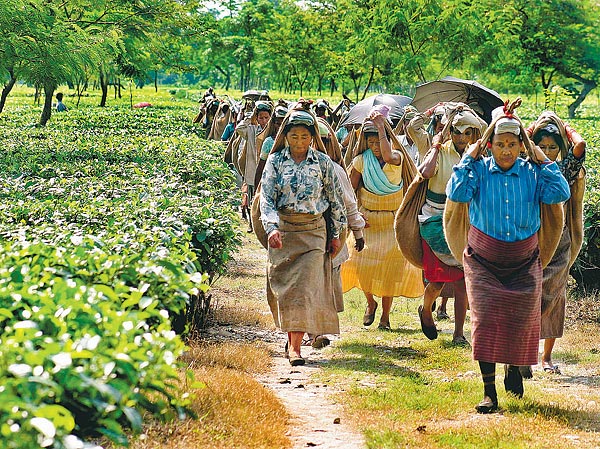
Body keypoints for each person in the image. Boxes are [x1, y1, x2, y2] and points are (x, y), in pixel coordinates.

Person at [446, 101, 570, 413]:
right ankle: (489, 392)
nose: (506, 151)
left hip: (524, 260)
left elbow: (560, 192)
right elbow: (457, 192)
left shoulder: (533, 173)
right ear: (490, 145)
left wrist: (534, 150)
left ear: (520, 146)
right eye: (500, 144)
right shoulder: (476, 172)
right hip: (483, 259)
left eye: (512, 145)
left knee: (521, 322)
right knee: (485, 320)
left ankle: (514, 368)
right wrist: (479, 142)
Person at [260, 106, 346, 366]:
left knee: (304, 287)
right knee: (286, 290)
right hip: (285, 232)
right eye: (294, 136)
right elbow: (267, 199)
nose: (299, 142)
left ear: (312, 138)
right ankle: (292, 338)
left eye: (304, 137)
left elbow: (335, 199)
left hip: (314, 233)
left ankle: (296, 348)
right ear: (286, 136)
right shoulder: (275, 162)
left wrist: (336, 233)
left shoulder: (322, 163)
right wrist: (271, 228)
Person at [341, 106, 424, 330]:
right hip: (367, 219)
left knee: (392, 269)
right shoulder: (360, 161)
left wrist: (380, 127)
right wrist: (355, 215)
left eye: (379, 141)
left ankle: (386, 317)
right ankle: (370, 303)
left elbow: (387, 154)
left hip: (392, 221)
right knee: (359, 262)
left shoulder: (396, 157)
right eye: (371, 142)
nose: (375, 147)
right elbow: (351, 190)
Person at [416, 105, 485, 346]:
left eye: (467, 133)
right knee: (436, 280)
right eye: (457, 132)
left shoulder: (476, 156)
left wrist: (471, 115)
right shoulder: (439, 150)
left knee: (463, 282)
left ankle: (458, 334)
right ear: (450, 132)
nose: (462, 137)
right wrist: (436, 137)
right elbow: (425, 172)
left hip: (463, 223)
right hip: (435, 219)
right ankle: (425, 309)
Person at [529, 112, 586, 375]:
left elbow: (580, 147)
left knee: (555, 295)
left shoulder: (564, 170)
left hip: (559, 241)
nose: (548, 151)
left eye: (553, 146)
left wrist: (567, 128)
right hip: (530, 238)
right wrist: (531, 129)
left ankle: (546, 356)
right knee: (527, 295)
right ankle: (524, 351)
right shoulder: (525, 169)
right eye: (543, 146)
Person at [236, 101, 273, 231]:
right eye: (260, 117)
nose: (263, 120)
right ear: (256, 118)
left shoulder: (272, 133)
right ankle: (252, 224)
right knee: (252, 197)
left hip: (268, 171)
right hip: (253, 169)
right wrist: (249, 117)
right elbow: (239, 128)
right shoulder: (251, 131)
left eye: (266, 117)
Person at [254, 103, 289, 187]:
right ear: (273, 124)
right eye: (278, 124)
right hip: (272, 185)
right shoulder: (269, 142)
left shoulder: (294, 141)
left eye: (283, 124)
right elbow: (260, 169)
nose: (281, 127)